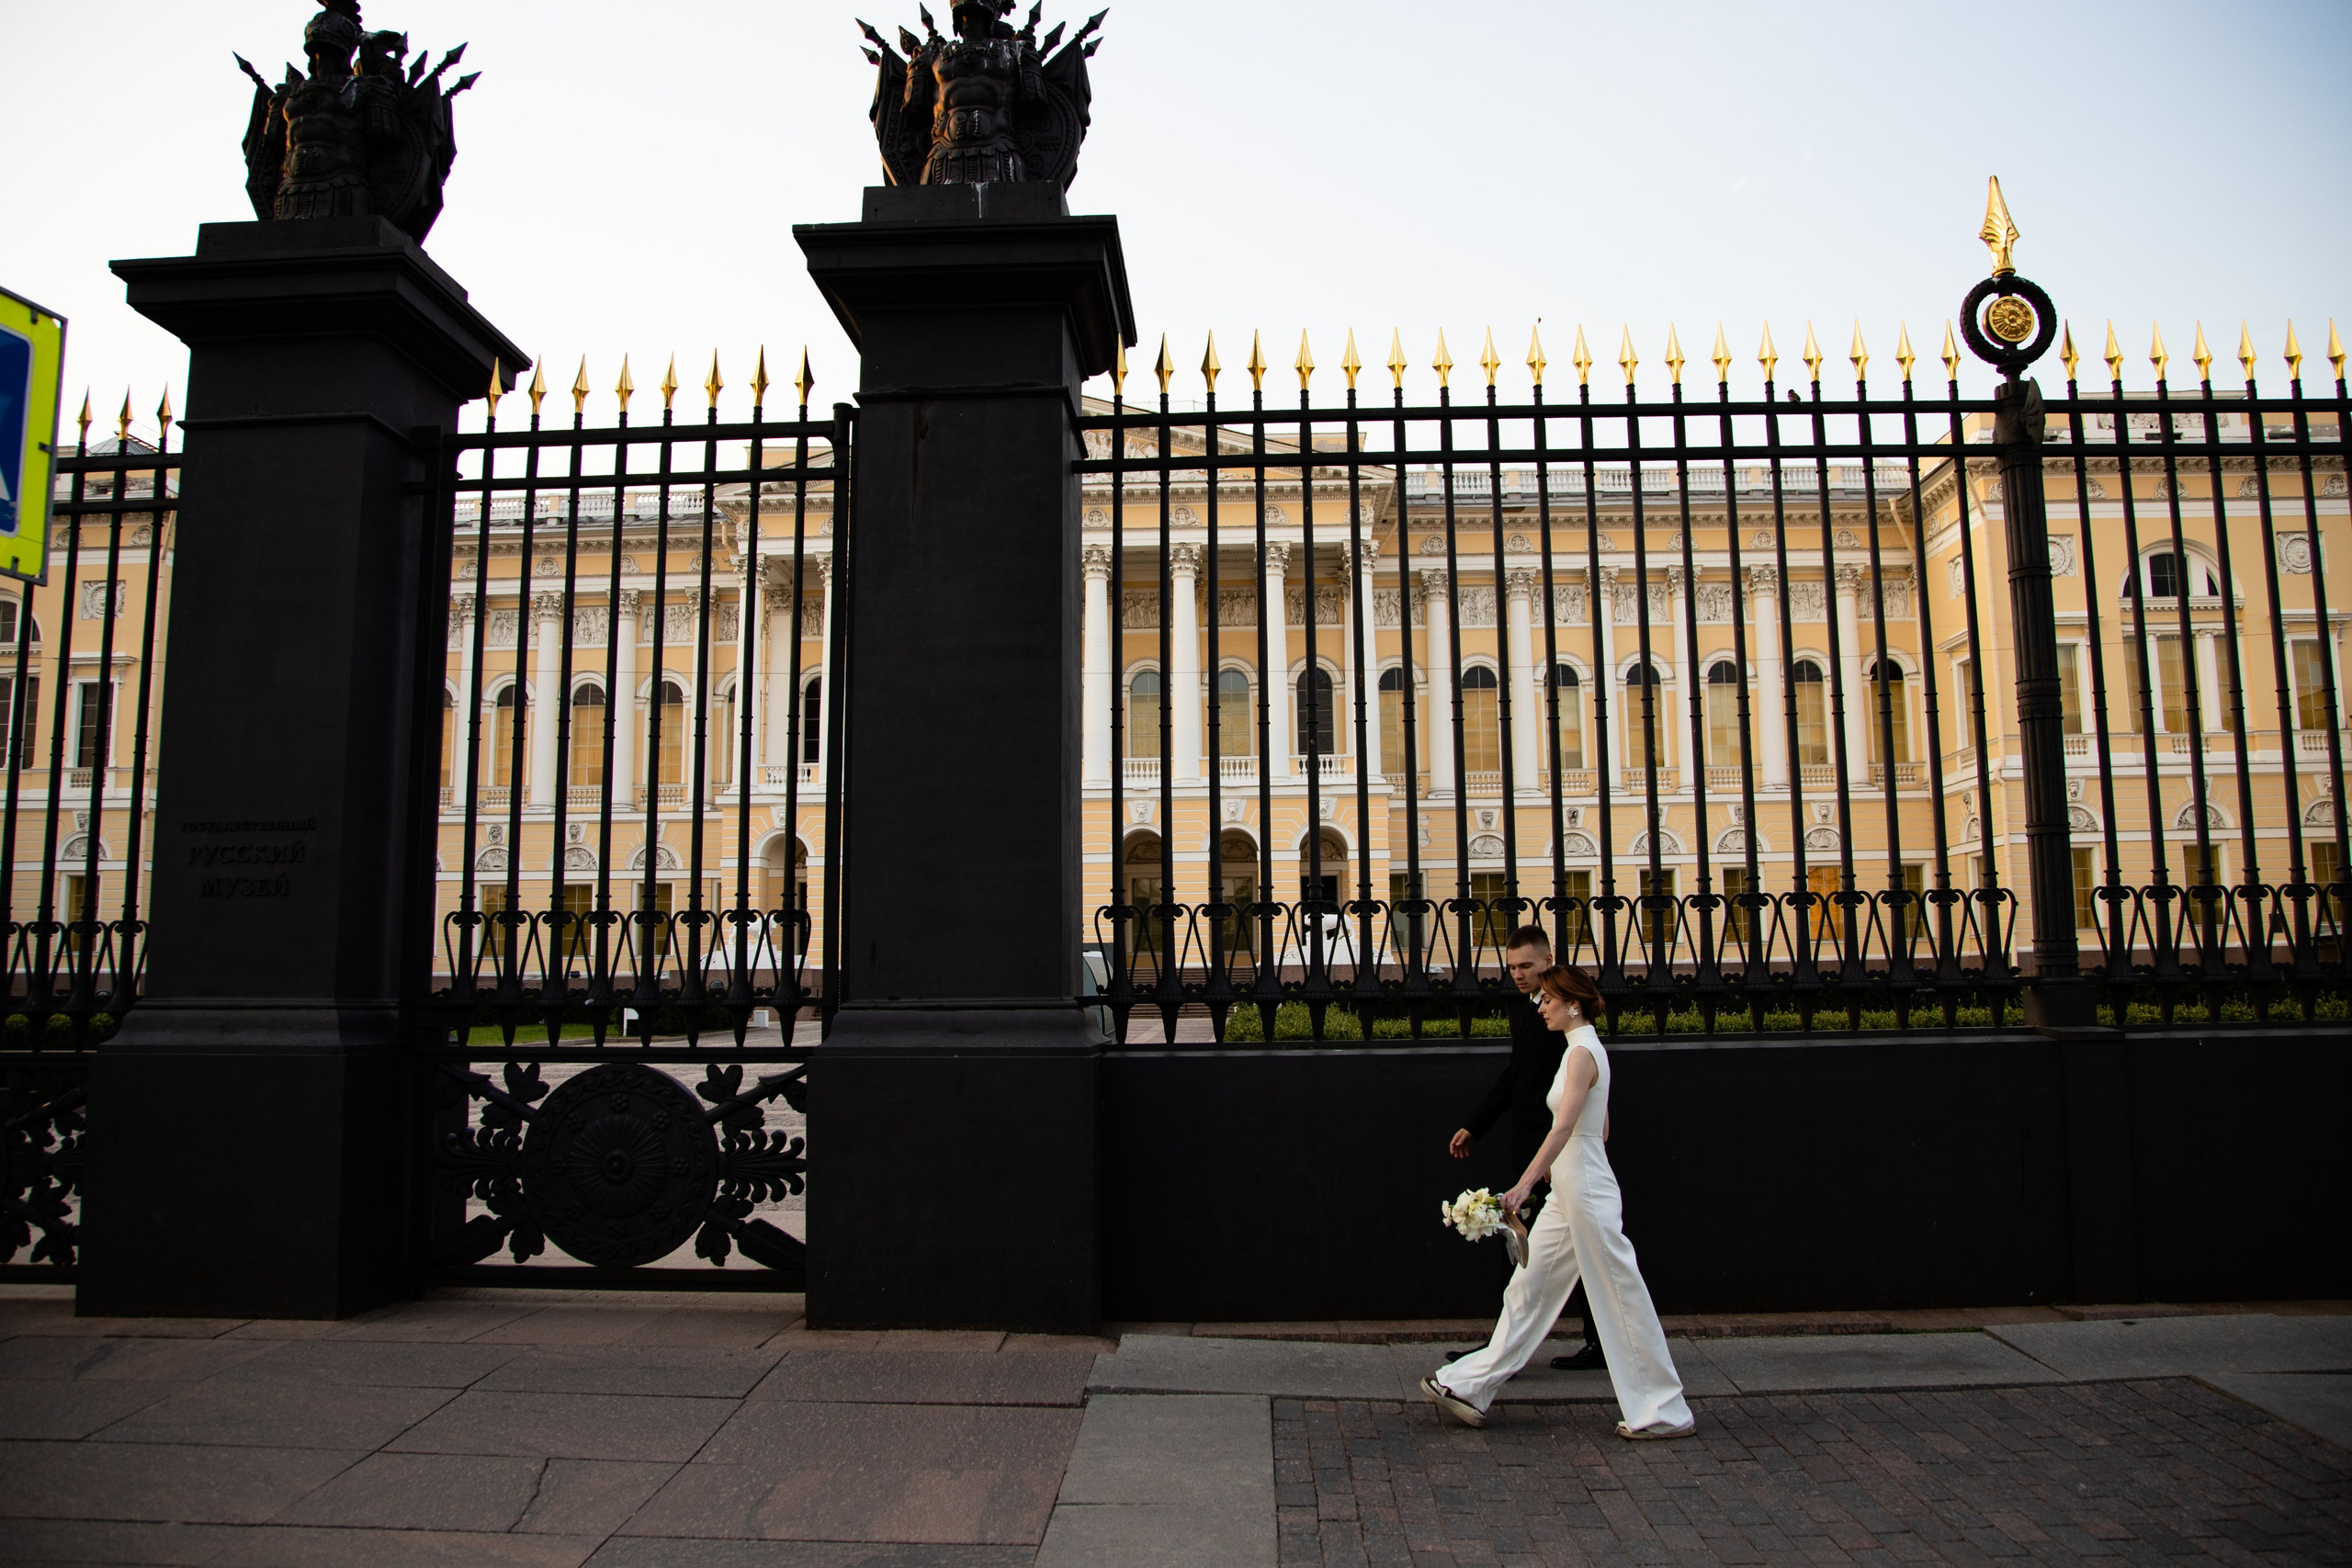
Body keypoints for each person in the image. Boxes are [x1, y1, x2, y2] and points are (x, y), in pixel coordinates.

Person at [1422, 963, 1694, 1440]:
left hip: (1585, 1192)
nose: (1541, 1007)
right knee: (1528, 1288)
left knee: (1618, 1295)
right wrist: (1558, 1165)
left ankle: (1664, 1411)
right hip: (1573, 1188)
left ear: (1572, 1003)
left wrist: (1526, 1182)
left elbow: (1566, 1126)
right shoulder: (1581, 1051)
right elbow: (1599, 1128)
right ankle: (1468, 1386)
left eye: (1547, 999)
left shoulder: (1582, 1053)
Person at [1446, 926, 1604, 1372]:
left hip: (1556, 1153)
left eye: (1526, 967)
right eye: (1511, 967)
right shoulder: (1527, 1010)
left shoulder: (1565, 1015)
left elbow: (1581, 1093)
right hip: (1533, 1149)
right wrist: (1476, 1127)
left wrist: (1551, 1160)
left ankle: (1590, 1344)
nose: (1517, 975)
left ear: (1548, 960)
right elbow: (1516, 1076)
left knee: (1574, 1246)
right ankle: (1502, 1349)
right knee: (1521, 1243)